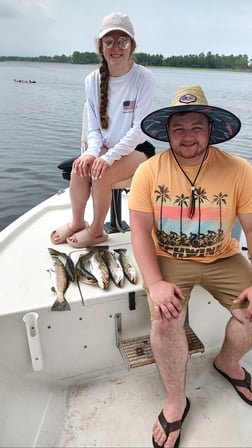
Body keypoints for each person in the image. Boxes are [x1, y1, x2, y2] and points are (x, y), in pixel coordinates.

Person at [128, 85, 252, 448]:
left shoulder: (239, 169)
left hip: (223, 256)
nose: (187, 137)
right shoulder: (148, 171)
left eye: (196, 127)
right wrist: (155, 283)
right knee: (166, 319)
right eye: (178, 129)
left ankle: (227, 363)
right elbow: (138, 231)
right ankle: (175, 401)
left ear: (210, 129)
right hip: (168, 257)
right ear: (167, 132)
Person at [50, 11, 155, 248]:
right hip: (105, 147)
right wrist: (91, 153)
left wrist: (108, 157)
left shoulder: (144, 78)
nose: (115, 47)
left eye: (122, 41)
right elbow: (95, 129)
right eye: (109, 41)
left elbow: (140, 129)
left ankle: (97, 230)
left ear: (132, 46)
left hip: (138, 149)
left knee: (101, 174)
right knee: (80, 167)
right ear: (101, 46)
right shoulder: (92, 80)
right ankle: (77, 222)